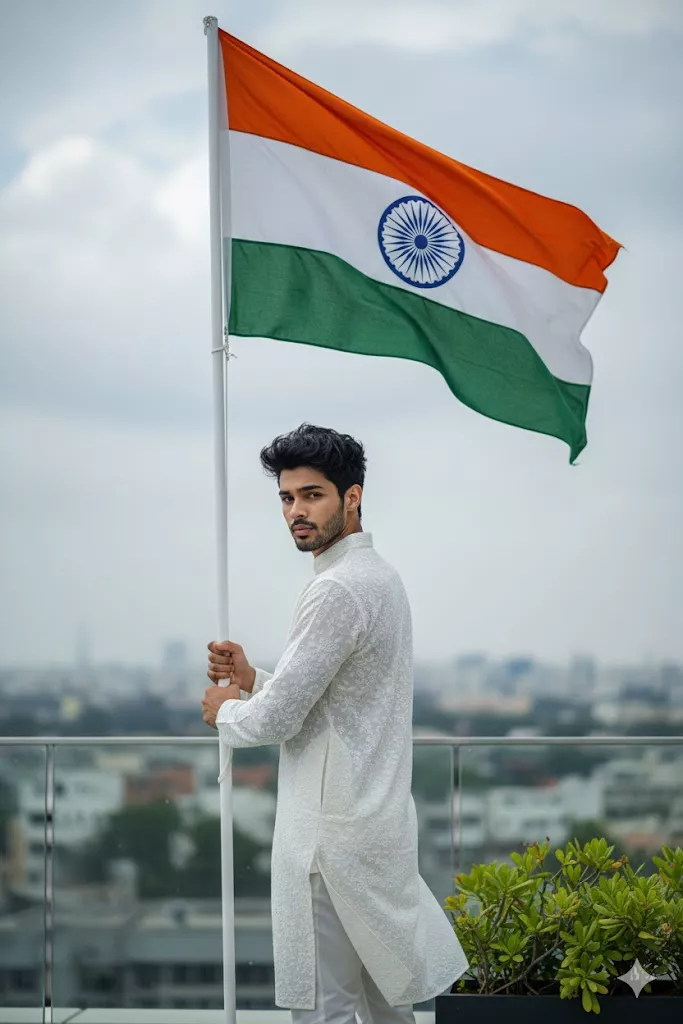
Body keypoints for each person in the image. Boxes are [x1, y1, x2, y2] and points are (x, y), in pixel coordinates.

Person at [202, 423, 467, 1024]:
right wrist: (252, 678)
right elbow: (335, 704)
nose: (297, 511)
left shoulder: (337, 590)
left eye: (312, 495)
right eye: (287, 498)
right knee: (384, 1008)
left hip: (331, 840)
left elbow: (274, 722)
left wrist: (227, 711)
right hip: (374, 826)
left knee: (327, 1010)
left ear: (352, 497)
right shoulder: (381, 578)